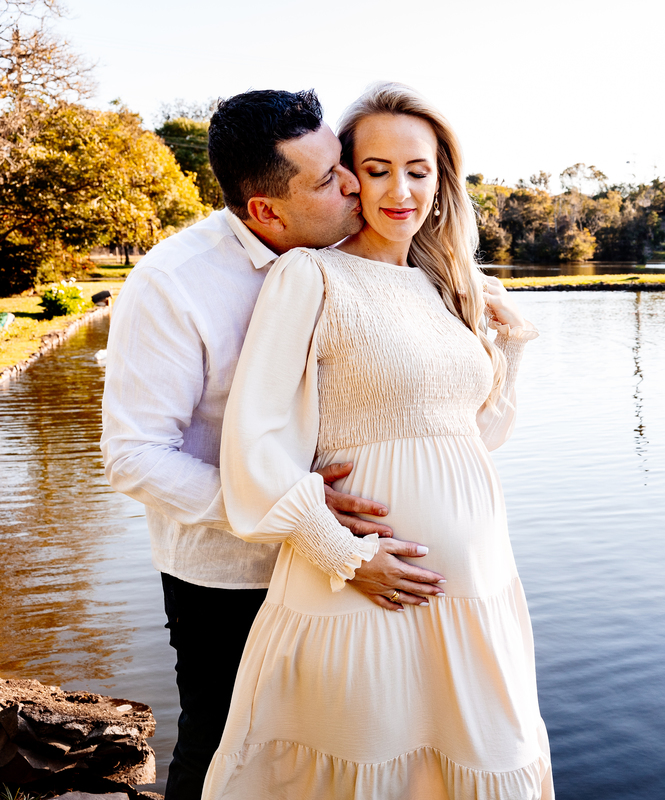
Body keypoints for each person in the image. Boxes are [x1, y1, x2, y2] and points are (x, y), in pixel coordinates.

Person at [201, 82, 552, 799]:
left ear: (441, 179)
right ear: (348, 177)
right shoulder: (311, 275)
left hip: (475, 585)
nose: (400, 191)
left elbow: (476, 438)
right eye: (376, 169)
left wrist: (510, 347)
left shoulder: (446, 286)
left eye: (418, 170)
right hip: (362, 590)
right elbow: (251, 442)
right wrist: (346, 555)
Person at [101, 89, 446, 800]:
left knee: (337, 751)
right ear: (265, 210)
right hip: (233, 578)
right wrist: (296, 516)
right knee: (226, 748)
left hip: (355, 565)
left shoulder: (354, 255)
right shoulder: (174, 284)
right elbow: (134, 455)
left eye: (343, 163)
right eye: (327, 180)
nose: (353, 184)